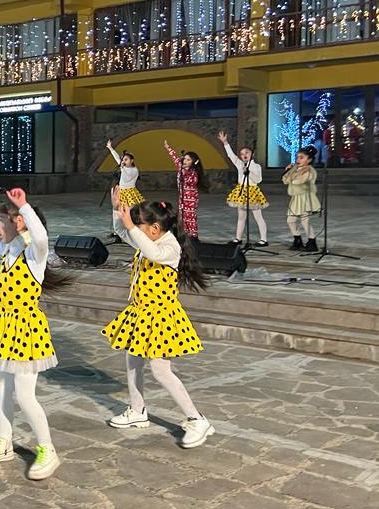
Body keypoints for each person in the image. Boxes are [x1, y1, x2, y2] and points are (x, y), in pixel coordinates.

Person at [0, 184, 60, 481]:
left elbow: (41, 238)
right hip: (3, 326)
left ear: (18, 223)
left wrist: (25, 207)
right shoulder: (9, 249)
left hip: (26, 331)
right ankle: (4, 442)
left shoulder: (34, 255)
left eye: (0, 221)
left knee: (25, 395)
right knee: (1, 387)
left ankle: (47, 449)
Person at [103, 190, 214, 449]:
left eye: (139, 226)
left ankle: (197, 419)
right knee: (132, 361)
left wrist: (132, 229)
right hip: (142, 313)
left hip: (161, 317)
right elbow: (122, 232)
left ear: (154, 228)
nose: (135, 231)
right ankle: (137, 410)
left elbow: (152, 252)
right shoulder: (148, 239)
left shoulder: (169, 247)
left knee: (161, 370)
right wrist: (117, 210)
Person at [217, 132, 269, 246]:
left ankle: (264, 239)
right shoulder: (240, 164)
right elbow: (231, 156)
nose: (244, 155)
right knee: (241, 217)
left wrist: (248, 172)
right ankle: (238, 238)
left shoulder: (256, 166)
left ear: (252, 154)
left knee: (258, 217)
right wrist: (225, 142)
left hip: (252, 191)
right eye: (242, 154)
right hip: (241, 191)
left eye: (247, 153)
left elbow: (258, 179)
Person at [282, 146, 321, 252]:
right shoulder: (296, 169)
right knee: (291, 220)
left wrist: (292, 174)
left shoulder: (309, 170)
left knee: (304, 221)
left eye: (301, 157)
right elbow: (285, 180)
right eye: (297, 157)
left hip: (305, 197)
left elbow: (298, 181)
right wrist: (288, 171)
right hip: (296, 197)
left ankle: (312, 242)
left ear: (309, 160)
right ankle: (297, 239)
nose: (298, 159)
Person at [163, 141, 204, 237]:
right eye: (184, 159)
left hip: (191, 199)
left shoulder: (193, 172)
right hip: (182, 198)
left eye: (188, 160)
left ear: (194, 162)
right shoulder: (181, 168)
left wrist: (185, 172)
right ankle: (184, 235)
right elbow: (175, 158)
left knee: (190, 217)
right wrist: (168, 148)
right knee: (182, 217)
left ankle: (193, 236)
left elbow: (191, 181)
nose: (185, 161)